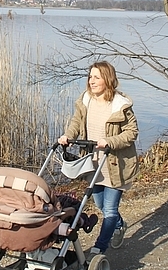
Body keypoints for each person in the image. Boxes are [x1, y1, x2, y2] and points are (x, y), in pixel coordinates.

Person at [58, 61, 140, 256]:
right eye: (90, 76)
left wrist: (110, 141)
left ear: (107, 79)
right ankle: (119, 225)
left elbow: (132, 132)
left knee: (110, 209)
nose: (91, 81)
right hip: (93, 163)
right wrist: (68, 136)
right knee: (101, 205)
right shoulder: (86, 100)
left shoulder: (121, 106)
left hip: (114, 164)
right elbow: (76, 122)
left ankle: (99, 247)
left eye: (96, 77)